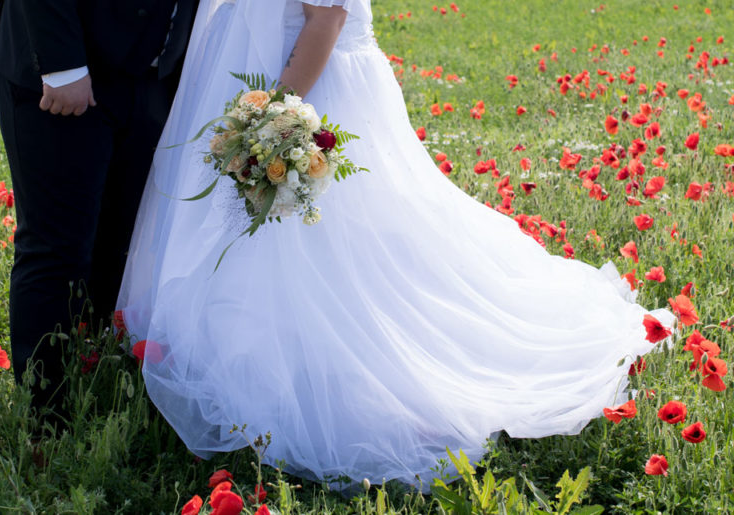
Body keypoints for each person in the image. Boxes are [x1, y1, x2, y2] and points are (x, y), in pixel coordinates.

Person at [116, 0, 675, 487]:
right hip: (246, 74)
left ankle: (320, 364)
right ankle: (236, 343)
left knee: (331, 243)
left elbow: (324, 20)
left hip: (307, 89)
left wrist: (273, 127)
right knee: (248, 240)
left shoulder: (287, 101)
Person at [0, 0, 199, 427]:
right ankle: (46, 416)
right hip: (65, 70)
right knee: (56, 249)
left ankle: (90, 383)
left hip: (152, 75)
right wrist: (62, 65)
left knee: (119, 242)